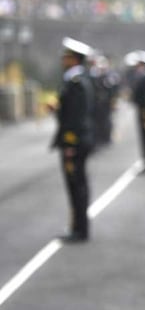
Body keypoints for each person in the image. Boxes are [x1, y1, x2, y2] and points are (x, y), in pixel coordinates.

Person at [50, 37, 96, 243]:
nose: (63, 60)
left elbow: (76, 118)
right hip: (77, 140)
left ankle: (80, 229)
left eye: (66, 57)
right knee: (77, 185)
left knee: (76, 185)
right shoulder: (76, 80)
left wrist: (70, 143)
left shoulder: (76, 83)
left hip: (74, 142)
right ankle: (77, 226)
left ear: (74, 59)